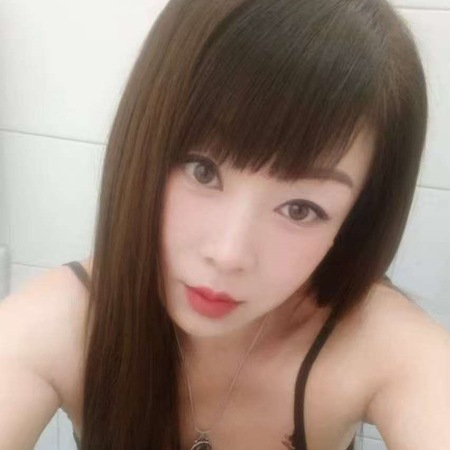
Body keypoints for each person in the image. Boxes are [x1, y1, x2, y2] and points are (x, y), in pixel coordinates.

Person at [1, 0, 449, 449]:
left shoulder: (377, 344)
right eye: (202, 170)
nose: (228, 253)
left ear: (356, 220)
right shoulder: (60, 325)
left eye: (300, 209)